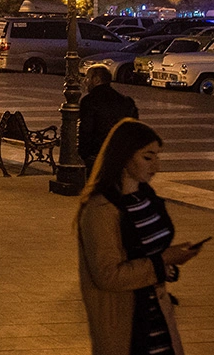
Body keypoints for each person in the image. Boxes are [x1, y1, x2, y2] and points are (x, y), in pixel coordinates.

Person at [77, 119, 202, 355]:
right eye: (148, 157)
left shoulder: (147, 197)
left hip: (159, 320)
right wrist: (163, 261)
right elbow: (107, 275)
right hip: (126, 326)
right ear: (124, 156)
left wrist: (171, 262)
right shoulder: (101, 209)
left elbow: (150, 252)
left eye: (157, 156)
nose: (156, 166)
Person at [79, 65, 140, 174]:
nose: (85, 82)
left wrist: (84, 153)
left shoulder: (89, 101)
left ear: (96, 79)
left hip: (97, 152)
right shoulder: (125, 101)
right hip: (120, 153)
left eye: (87, 78)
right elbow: (134, 128)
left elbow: (86, 130)